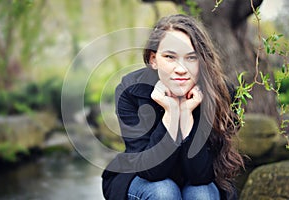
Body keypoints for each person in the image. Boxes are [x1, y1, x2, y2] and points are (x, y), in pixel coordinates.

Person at [102, 14, 244, 200]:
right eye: (170, 56)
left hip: (200, 180)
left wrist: (186, 115)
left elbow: (200, 176)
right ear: (153, 59)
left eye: (191, 58)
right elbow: (152, 172)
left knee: (201, 194)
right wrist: (171, 114)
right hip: (143, 177)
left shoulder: (222, 93)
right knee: (164, 191)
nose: (181, 69)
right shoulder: (131, 91)